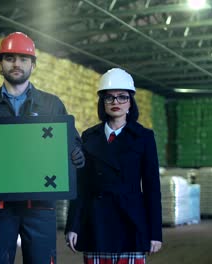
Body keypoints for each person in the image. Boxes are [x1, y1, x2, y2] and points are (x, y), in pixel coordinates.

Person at [0, 32, 85, 264]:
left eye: (23, 59)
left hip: (40, 208)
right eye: (10, 58)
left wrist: (77, 154)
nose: (17, 64)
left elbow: (72, 141)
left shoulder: (52, 104)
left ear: (33, 65)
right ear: (0, 65)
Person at [65, 68, 163, 264]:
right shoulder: (89, 136)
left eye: (122, 97)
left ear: (130, 101)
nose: (116, 102)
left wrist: (155, 233)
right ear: (102, 102)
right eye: (109, 98)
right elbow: (82, 187)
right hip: (96, 222)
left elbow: (152, 188)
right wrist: (73, 226)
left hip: (131, 222)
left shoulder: (144, 137)